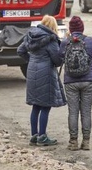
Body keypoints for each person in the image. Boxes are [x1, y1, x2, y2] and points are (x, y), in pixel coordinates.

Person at [17, 15, 65, 147]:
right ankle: (42, 136)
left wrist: (31, 60)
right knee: (45, 105)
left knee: (36, 105)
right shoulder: (51, 40)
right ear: (53, 26)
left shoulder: (31, 35)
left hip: (32, 72)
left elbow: (20, 50)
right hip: (46, 73)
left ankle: (34, 135)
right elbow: (57, 60)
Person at [59, 15, 92, 151]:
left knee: (73, 112)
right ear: (82, 28)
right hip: (88, 81)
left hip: (70, 81)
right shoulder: (90, 41)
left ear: (71, 29)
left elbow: (59, 57)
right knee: (86, 111)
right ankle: (86, 142)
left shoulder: (66, 42)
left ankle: (73, 142)